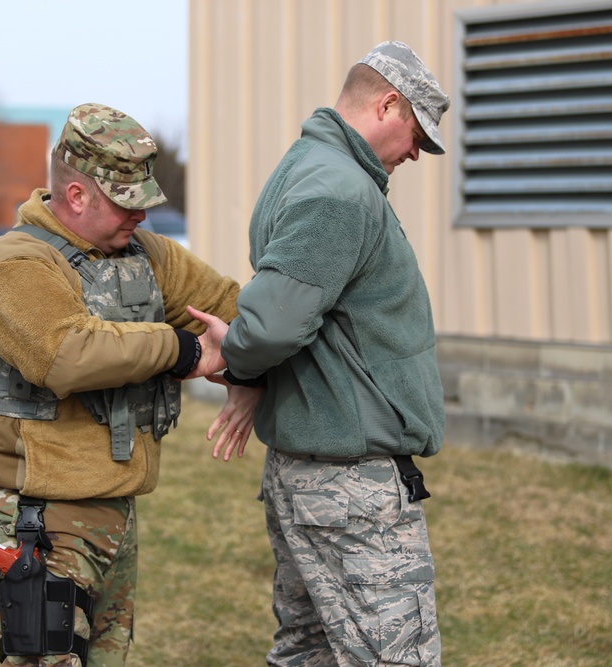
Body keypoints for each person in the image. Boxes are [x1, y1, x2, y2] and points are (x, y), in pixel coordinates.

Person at [0, 102, 247, 666]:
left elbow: (231, 308)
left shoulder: (147, 256)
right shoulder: (13, 265)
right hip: (37, 514)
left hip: (113, 510)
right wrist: (184, 349)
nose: (140, 216)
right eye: (125, 203)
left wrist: (244, 370)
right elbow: (68, 354)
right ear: (77, 196)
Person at [193, 41, 451, 666]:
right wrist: (241, 361)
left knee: (309, 653)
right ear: (388, 104)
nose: (417, 151)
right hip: (347, 484)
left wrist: (252, 370)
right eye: (418, 131)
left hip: (318, 470)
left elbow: (298, 315)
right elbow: (275, 323)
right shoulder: (340, 190)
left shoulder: (308, 166)